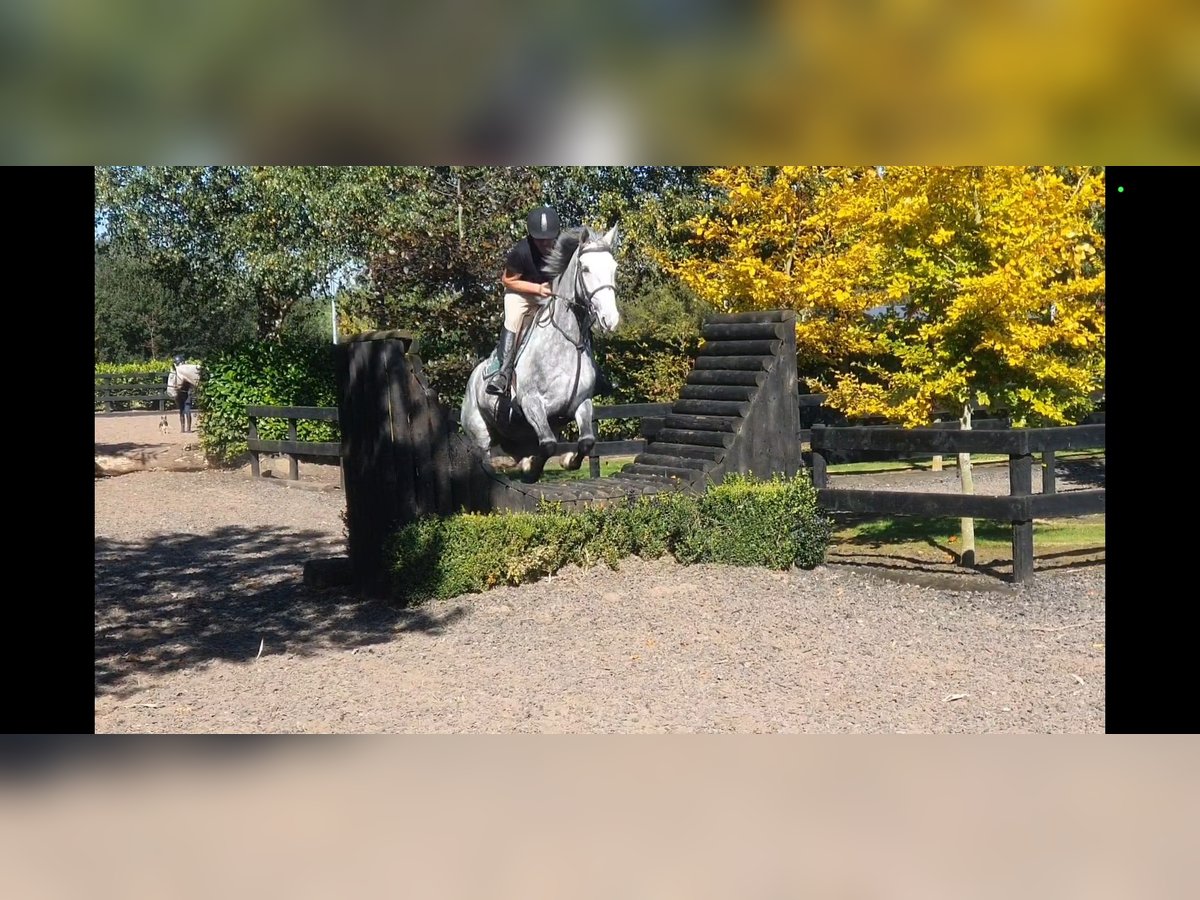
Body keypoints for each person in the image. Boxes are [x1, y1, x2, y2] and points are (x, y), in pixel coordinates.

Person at [487, 205, 561, 396]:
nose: (546, 244)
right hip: (521, 293)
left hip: (551, 293)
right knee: (513, 320)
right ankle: (503, 373)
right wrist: (538, 289)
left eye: (549, 239)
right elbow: (507, 281)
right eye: (540, 240)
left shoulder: (561, 247)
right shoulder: (520, 252)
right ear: (532, 237)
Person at [169, 354, 202, 433]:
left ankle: (188, 428)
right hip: (180, 394)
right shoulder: (177, 372)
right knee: (181, 411)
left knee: (187, 410)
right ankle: (182, 428)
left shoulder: (186, 373)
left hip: (187, 393)